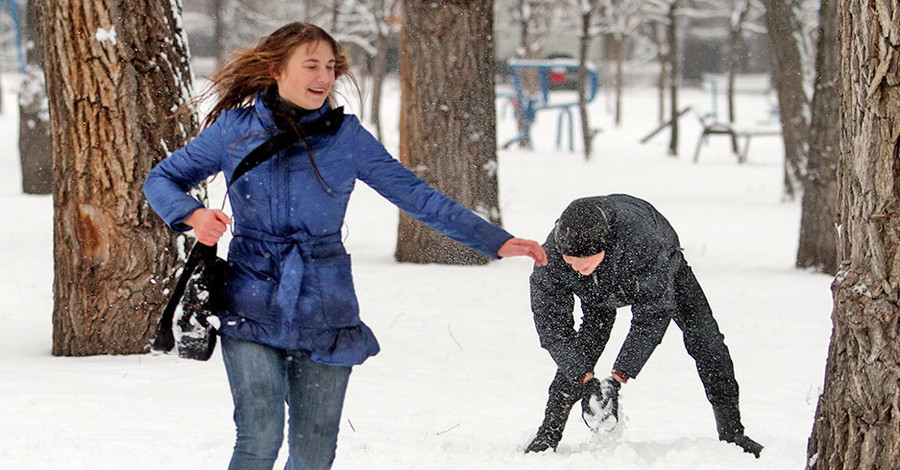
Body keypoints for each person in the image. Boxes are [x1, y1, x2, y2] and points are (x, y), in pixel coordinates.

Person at [143, 22, 547, 470]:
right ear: (276, 70)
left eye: (331, 67)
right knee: (259, 434)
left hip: (325, 304)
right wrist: (194, 215)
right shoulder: (233, 130)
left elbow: (416, 196)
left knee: (315, 450)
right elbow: (162, 178)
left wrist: (496, 241)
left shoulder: (347, 137)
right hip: (250, 298)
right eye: (311, 65)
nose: (324, 77)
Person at [524, 194, 762, 457]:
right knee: (582, 351)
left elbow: (650, 320)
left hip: (660, 272)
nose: (578, 269)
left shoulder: (646, 243)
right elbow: (554, 330)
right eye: (571, 263)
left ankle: (733, 433)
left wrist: (618, 377)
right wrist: (585, 379)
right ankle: (548, 433)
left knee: (706, 342)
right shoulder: (551, 260)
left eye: (585, 262)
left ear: (604, 248)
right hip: (597, 293)